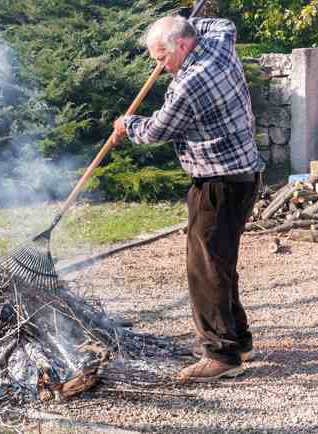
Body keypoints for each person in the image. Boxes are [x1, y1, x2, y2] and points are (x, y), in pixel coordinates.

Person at [112, 15, 264, 382]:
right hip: (246, 175)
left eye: (161, 57)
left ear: (181, 45)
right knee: (220, 262)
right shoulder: (220, 43)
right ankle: (238, 339)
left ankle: (221, 355)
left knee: (205, 269)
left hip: (217, 184)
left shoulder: (189, 85)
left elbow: (156, 130)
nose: (158, 66)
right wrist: (186, 19)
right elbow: (221, 22)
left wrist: (125, 125)